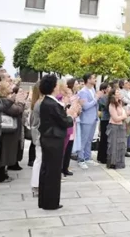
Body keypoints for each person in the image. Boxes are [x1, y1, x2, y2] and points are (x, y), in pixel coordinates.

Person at [38, 74, 75, 210]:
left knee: (47, 170)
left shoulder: (48, 102)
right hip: (53, 140)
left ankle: (45, 200)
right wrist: (71, 114)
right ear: (54, 87)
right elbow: (64, 122)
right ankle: (51, 202)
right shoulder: (51, 103)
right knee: (52, 172)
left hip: (49, 139)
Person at [76, 73, 103, 169]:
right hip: (86, 119)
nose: (95, 79)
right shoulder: (83, 92)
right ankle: (80, 159)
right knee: (83, 140)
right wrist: (96, 98)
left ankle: (88, 157)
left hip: (93, 118)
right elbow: (86, 106)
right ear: (88, 80)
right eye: (93, 78)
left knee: (89, 140)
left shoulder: (93, 89)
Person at [106, 88, 130, 169]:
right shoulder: (111, 104)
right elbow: (115, 118)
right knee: (113, 146)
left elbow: (123, 113)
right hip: (114, 126)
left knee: (121, 145)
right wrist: (125, 115)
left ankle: (119, 162)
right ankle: (113, 163)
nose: (119, 93)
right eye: (117, 92)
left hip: (121, 126)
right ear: (113, 94)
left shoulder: (119, 103)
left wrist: (126, 114)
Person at [29, 82, 42, 197]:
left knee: (39, 160)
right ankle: (35, 185)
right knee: (39, 160)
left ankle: (36, 184)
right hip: (39, 136)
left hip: (37, 136)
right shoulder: (39, 103)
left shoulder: (36, 103)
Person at [97, 82, 111, 164]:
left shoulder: (108, 97)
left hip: (109, 119)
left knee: (107, 138)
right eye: (108, 87)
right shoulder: (102, 97)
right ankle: (102, 157)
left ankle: (105, 155)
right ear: (104, 89)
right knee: (104, 138)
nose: (110, 88)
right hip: (105, 119)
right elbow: (106, 106)